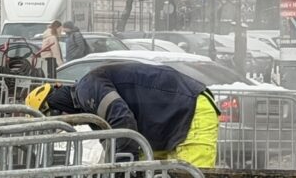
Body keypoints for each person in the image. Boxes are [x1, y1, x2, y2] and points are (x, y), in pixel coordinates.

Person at [25, 61, 220, 167]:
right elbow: (115, 140)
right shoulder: (89, 106)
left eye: (53, 114)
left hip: (190, 110)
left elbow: (123, 121)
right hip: (165, 120)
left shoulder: (88, 89)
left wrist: (119, 174)